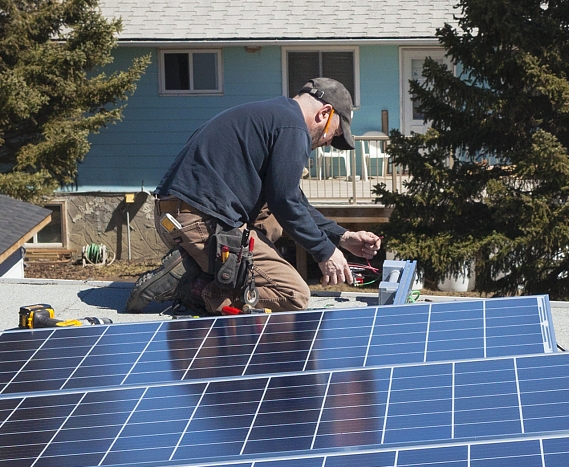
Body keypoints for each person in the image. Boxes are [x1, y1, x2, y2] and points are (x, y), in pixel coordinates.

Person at [135, 77, 384, 314]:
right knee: (292, 295)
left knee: (271, 216)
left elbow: (290, 199)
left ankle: (202, 266)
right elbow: (285, 202)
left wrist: (342, 237)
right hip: (196, 221)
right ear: (324, 113)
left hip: (175, 215)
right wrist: (324, 252)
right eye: (335, 134)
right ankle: (195, 286)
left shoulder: (275, 115)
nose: (328, 142)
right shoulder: (293, 128)